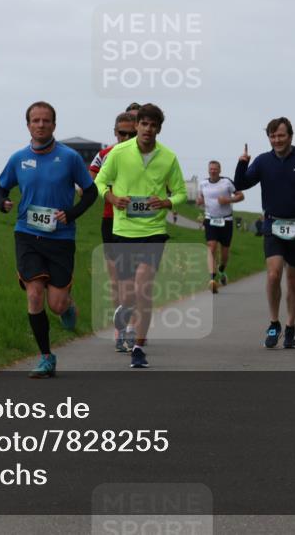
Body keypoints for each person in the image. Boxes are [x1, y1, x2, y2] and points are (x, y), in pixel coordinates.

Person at [0, 101, 99, 378]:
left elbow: (90, 193)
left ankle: (68, 305)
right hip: (27, 234)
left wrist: (71, 214)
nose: (40, 125)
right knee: (34, 293)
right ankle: (45, 356)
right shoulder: (18, 158)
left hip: (60, 238)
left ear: (54, 124)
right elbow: (0, 187)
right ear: (28, 125)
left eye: (46, 120)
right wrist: (2, 202)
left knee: (56, 305)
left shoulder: (69, 158)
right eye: (35, 120)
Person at [94, 103, 187, 368]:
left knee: (143, 288)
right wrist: (112, 198)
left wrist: (167, 202)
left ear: (159, 129)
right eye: (144, 124)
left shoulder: (168, 157)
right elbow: (99, 182)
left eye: (153, 125)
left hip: (154, 231)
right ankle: (123, 315)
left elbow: (180, 192)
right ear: (137, 126)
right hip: (123, 230)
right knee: (127, 294)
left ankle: (138, 347)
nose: (148, 129)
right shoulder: (119, 153)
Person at [234, 117, 295, 350]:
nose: (277, 140)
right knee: (273, 274)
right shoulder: (262, 161)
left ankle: (290, 326)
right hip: (273, 224)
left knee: (293, 280)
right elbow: (241, 184)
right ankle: (273, 323)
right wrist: (242, 163)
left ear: (290, 136)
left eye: (281, 135)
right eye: (272, 136)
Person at [89, 111, 138, 352]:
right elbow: (92, 179)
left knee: (136, 281)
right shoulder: (104, 154)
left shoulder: (147, 154)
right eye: (122, 133)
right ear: (115, 133)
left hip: (140, 224)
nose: (126, 138)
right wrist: (108, 193)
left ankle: (132, 328)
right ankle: (120, 328)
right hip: (111, 220)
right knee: (116, 280)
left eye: (131, 134)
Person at [197, 160, 244, 292]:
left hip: (226, 220)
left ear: (219, 170)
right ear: (208, 170)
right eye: (211, 169)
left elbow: (241, 196)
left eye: (215, 169)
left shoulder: (227, 182)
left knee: (224, 253)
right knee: (211, 246)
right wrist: (199, 201)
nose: (213, 171)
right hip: (210, 219)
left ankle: (222, 269)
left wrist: (228, 200)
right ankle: (212, 279)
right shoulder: (203, 183)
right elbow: (201, 198)